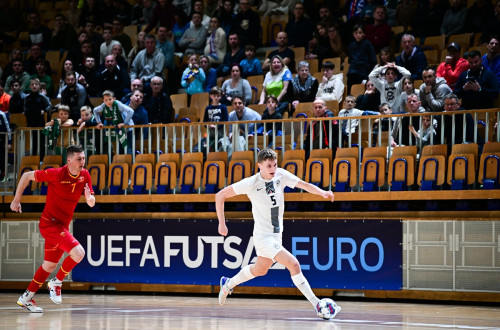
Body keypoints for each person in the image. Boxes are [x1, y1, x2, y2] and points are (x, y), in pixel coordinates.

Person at [216, 148, 340, 320]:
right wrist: (222, 223)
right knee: (294, 264)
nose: (273, 169)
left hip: (276, 235)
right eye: (268, 166)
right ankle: (317, 304)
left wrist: (323, 192)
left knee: (260, 270)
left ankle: (228, 283)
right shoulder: (251, 183)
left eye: (274, 164)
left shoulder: (280, 175)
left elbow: (303, 184)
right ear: (259, 166)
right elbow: (220, 195)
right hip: (263, 237)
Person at [13, 145, 95, 313]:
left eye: (84, 158)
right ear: (69, 160)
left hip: (62, 227)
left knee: (49, 265)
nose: (82, 162)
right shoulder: (57, 173)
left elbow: (92, 202)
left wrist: (89, 198)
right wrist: (16, 200)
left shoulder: (85, 175)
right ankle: (56, 282)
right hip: (49, 224)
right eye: (79, 159)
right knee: (79, 253)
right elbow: (27, 176)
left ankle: (26, 298)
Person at [346, 24, 377, 93]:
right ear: (353, 34)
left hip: (363, 73)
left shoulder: (368, 44)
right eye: (356, 33)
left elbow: (373, 61)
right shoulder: (351, 46)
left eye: (360, 33)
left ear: (364, 34)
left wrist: (368, 73)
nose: (358, 35)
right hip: (352, 73)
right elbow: (350, 61)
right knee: (349, 92)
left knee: (361, 92)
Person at [203, 86, 228, 152]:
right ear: (211, 96)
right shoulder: (208, 108)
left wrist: (216, 126)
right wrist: (208, 125)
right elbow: (205, 121)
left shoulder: (223, 107)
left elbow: (225, 120)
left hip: (220, 133)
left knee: (219, 147)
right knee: (209, 148)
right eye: (214, 95)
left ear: (221, 96)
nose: (216, 98)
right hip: (210, 132)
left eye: (218, 96)